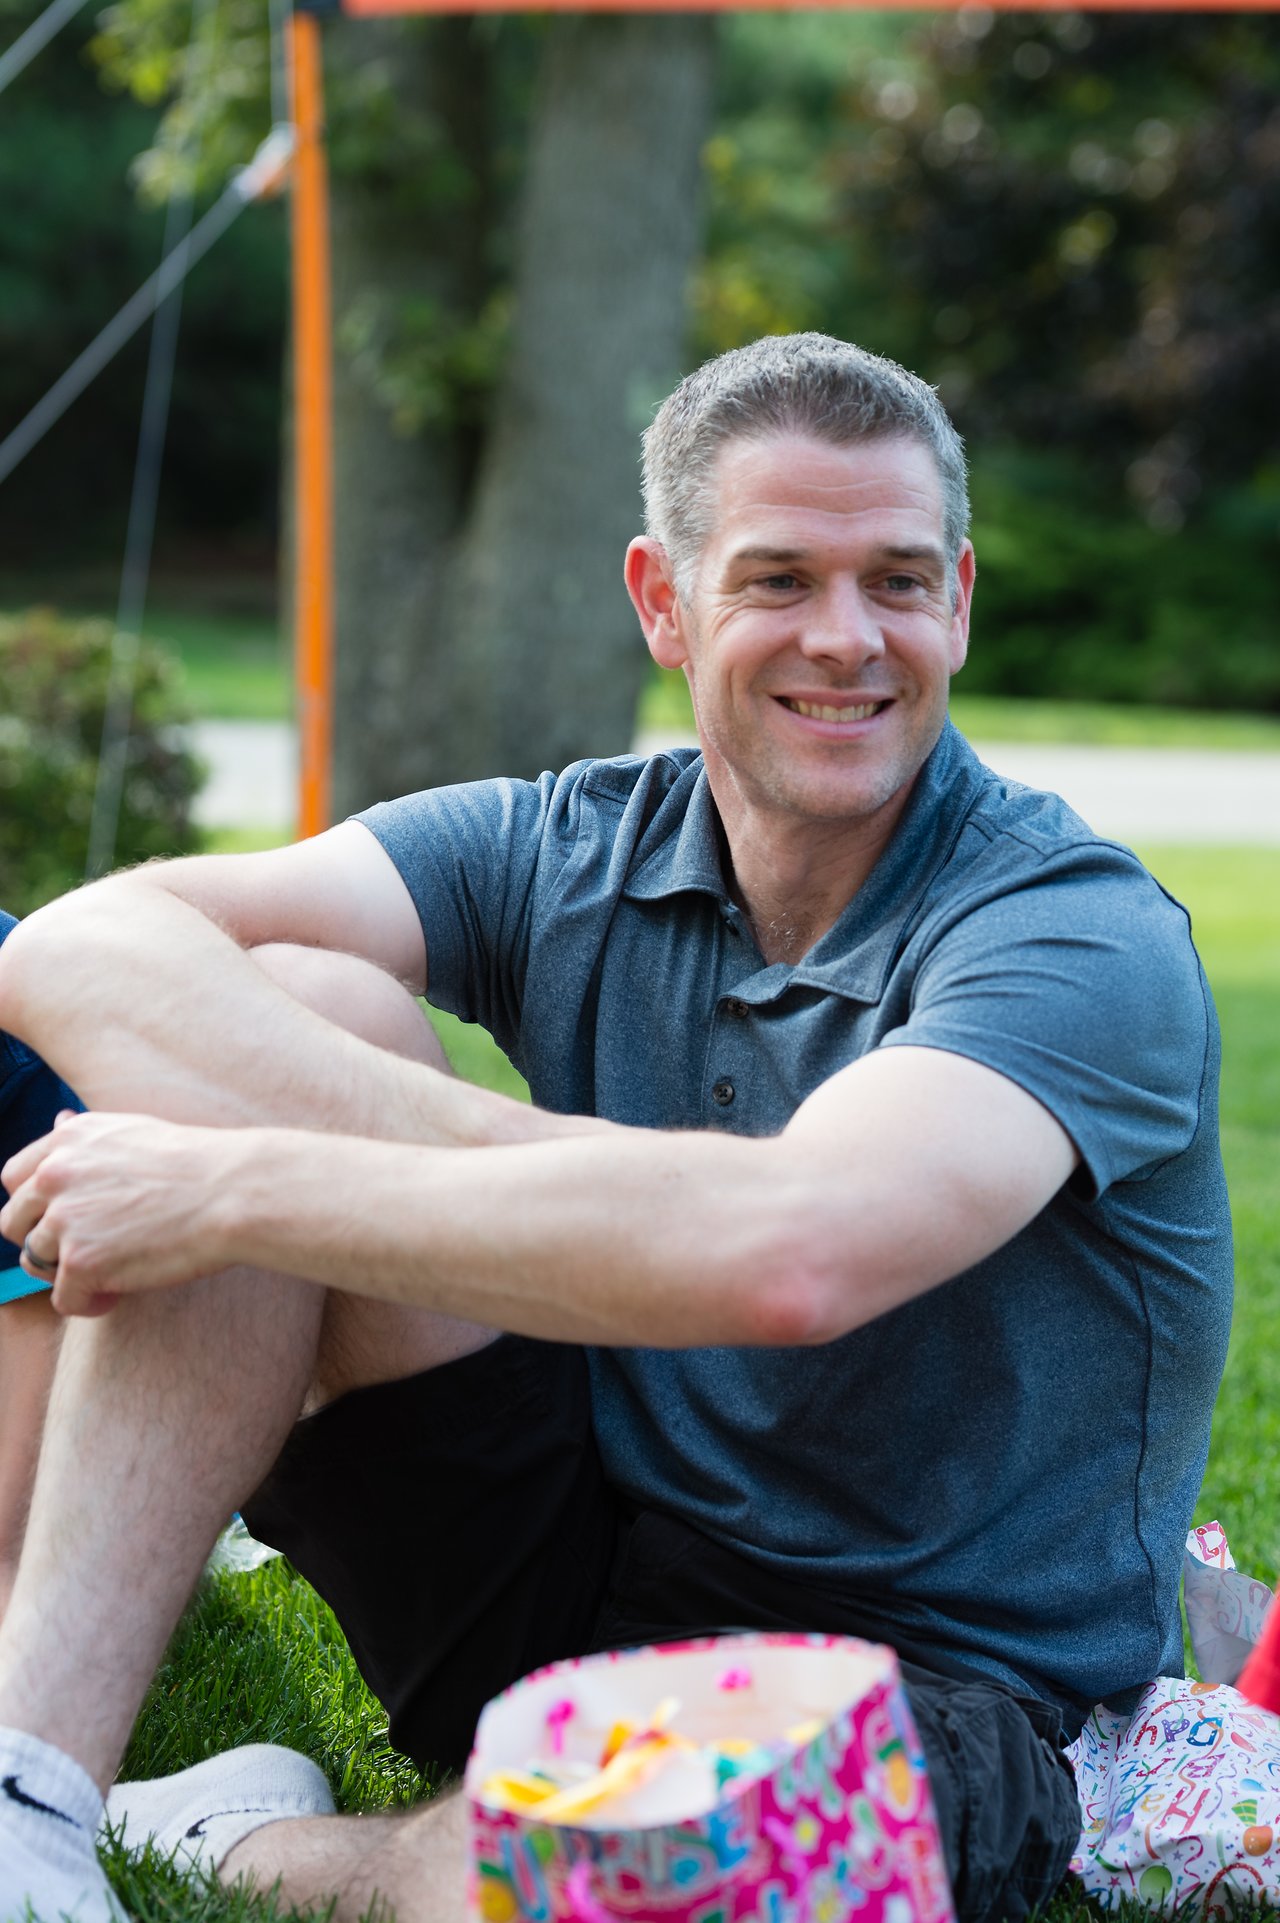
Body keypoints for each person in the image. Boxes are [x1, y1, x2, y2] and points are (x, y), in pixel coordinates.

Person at [0, 334, 1232, 1923]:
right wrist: (298, 1146)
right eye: (780, 580)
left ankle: (270, 1851)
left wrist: (254, 1185)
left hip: (948, 1680)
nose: (848, 638)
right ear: (663, 599)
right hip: (581, 1554)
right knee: (288, 997)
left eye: (900, 582)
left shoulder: (1073, 936)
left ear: (962, 603)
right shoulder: (568, 842)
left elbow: (795, 1255)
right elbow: (71, 944)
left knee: (627, 1866)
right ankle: (29, 1805)